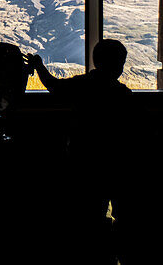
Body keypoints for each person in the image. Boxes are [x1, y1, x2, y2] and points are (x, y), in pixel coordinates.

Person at [28, 40, 136, 262]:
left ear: (97, 61)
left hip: (83, 160)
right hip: (116, 163)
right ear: (118, 65)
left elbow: (53, 86)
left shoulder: (83, 85)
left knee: (87, 213)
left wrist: (39, 66)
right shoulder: (123, 94)